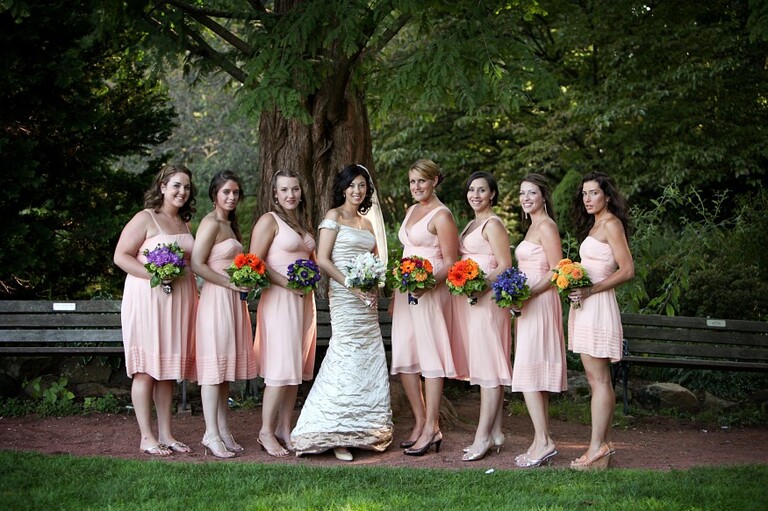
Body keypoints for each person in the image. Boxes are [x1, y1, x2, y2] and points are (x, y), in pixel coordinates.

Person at [291, 164, 393, 462]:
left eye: (362, 186)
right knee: (344, 356)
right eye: (353, 186)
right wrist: (352, 285)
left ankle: (363, 429)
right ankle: (333, 432)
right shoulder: (332, 217)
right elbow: (323, 259)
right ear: (343, 188)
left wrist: (371, 286)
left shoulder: (368, 224)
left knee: (367, 357)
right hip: (345, 297)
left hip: (366, 301)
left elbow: (374, 261)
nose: (357, 191)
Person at [113, 164, 198, 456]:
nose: (182, 192)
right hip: (147, 299)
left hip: (177, 301)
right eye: (176, 185)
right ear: (162, 187)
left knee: (166, 370)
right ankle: (146, 437)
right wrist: (154, 275)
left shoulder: (185, 224)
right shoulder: (145, 218)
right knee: (146, 370)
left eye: (186, 187)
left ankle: (167, 433)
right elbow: (120, 256)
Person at [390, 158, 463, 456]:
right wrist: (400, 291)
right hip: (406, 292)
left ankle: (433, 425)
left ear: (435, 180)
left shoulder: (442, 216)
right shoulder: (410, 211)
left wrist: (428, 283)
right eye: (412, 182)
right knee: (406, 357)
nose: (416, 187)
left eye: (421, 181)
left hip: (430, 292)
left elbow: (452, 263)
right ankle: (420, 421)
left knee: (431, 358)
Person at [567, 171, 635, 470]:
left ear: (607, 195)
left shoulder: (611, 224)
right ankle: (603, 447)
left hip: (598, 305)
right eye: (584, 194)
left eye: (594, 193)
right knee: (597, 380)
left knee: (599, 380)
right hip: (585, 306)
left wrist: (590, 289)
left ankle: (596, 448)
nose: (588, 199)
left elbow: (627, 269)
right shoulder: (596, 225)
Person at [249, 170, 317, 458]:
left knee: (294, 369)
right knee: (279, 368)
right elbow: (255, 263)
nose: (291, 194)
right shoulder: (269, 221)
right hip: (279, 301)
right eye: (284, 190)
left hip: (302, 301)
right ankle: (265, 431)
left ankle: (284, 428)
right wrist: (289, 284)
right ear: (275, 193)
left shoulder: (302, 222)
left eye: (295, 189)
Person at [191, 171, 258, 459]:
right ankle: (210, 433)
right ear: (214, 193)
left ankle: (223, 429)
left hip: (233, 301)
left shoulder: (230, 225)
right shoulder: (210, 223)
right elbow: (196, 264)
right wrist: (230, 282)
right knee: (213, 369)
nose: (232, 197)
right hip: (216, 299)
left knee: (225, 370)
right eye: (226, 192)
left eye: (236, 193)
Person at [453, 171, 513, 462]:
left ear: (492, 194)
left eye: (481, 190)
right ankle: (497, 431)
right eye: (471, 190)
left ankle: (482, 436)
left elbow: (505, 264)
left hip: (488, 303)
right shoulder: (472, 224)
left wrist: (480, 287)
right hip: (472, 302)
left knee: (489, 369)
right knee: (488, 367)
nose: (475, 195)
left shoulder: (493, 224)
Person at [512, 173, 568, 468]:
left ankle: (545, 442)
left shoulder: (546, 226)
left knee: (531, 371)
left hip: (541, 302)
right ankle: (539, 439)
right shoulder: (533, 225)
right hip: (527, 304)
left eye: (531, 193)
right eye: (522, 194)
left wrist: (528, 293)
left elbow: (558, 270)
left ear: (543, 196)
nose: (525, 198)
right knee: (530, 370)